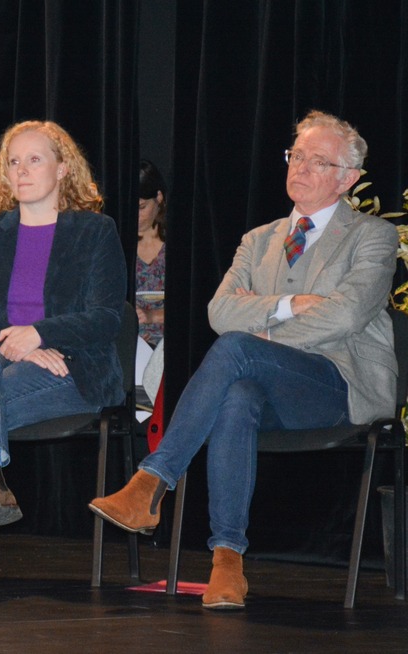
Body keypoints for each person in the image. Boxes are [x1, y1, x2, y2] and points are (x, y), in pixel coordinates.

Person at [90, 111, 397, 610]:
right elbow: (219, 310)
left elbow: (344, 318)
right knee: (236, 394)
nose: (300, 167)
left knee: (238, 349)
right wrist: (289, 304)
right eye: (296, 155)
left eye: (317, 161)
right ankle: (227, 561)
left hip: (339, 384)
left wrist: (261, 333)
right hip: (275, 390)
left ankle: (152, 482)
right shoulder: (259, 239)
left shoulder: (372, 237)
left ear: (347, 179)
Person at [0, 121, 127, 587]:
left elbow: (106, 317)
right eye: (12, 161)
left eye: (34, 159)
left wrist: (39, 335)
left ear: (63, 169)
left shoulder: (95, 232)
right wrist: (15, 341)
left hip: (70, 371)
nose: (21, 170)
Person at [137, 159, 167, 348]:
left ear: (159, 197)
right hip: (129, 342)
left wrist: (150, 316)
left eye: (141, 208)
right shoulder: (115, 240)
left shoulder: (179, 245)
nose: (136, 216)